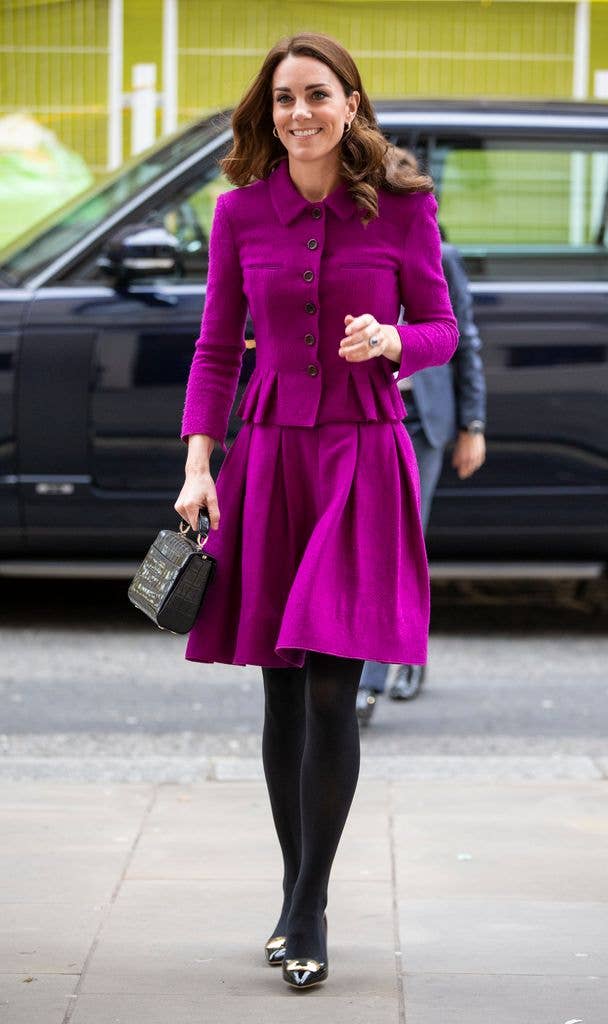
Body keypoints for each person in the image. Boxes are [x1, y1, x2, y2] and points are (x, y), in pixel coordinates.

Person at [174, 32, 457, 990]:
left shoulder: (405, 209)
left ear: (351, 103)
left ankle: (308, 905)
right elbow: (216, 349)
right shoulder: (239, 213)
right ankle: (299, 889)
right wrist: (198, 466)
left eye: (318, 95)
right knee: (282, 685)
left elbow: (443, 328)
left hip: (359, 458)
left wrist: (394, 340)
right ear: (269, 110)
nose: (300, 112)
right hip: (265, 457)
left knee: (336, 679)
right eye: (285, 97)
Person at [356, 148, 487, 725]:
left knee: (402, 546)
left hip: (424, 422)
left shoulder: (441, 253)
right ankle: (372, 667)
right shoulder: (352, 250)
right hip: (366, 415)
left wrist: (472, 426)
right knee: (362, 545)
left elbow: (466, 343)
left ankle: (384, 667)